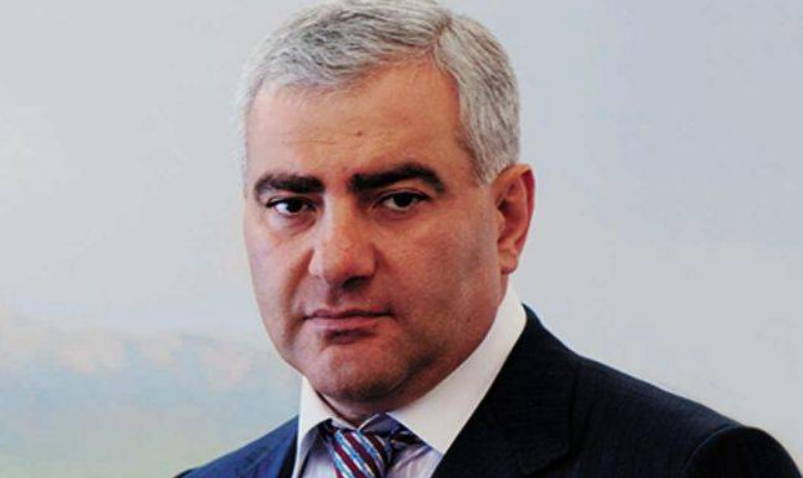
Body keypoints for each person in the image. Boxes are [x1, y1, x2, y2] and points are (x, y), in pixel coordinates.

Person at [176, 1, 801, 477]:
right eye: (292, 205)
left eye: (398, 199)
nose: (337, 261)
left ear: (508, 217)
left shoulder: (693, 467)